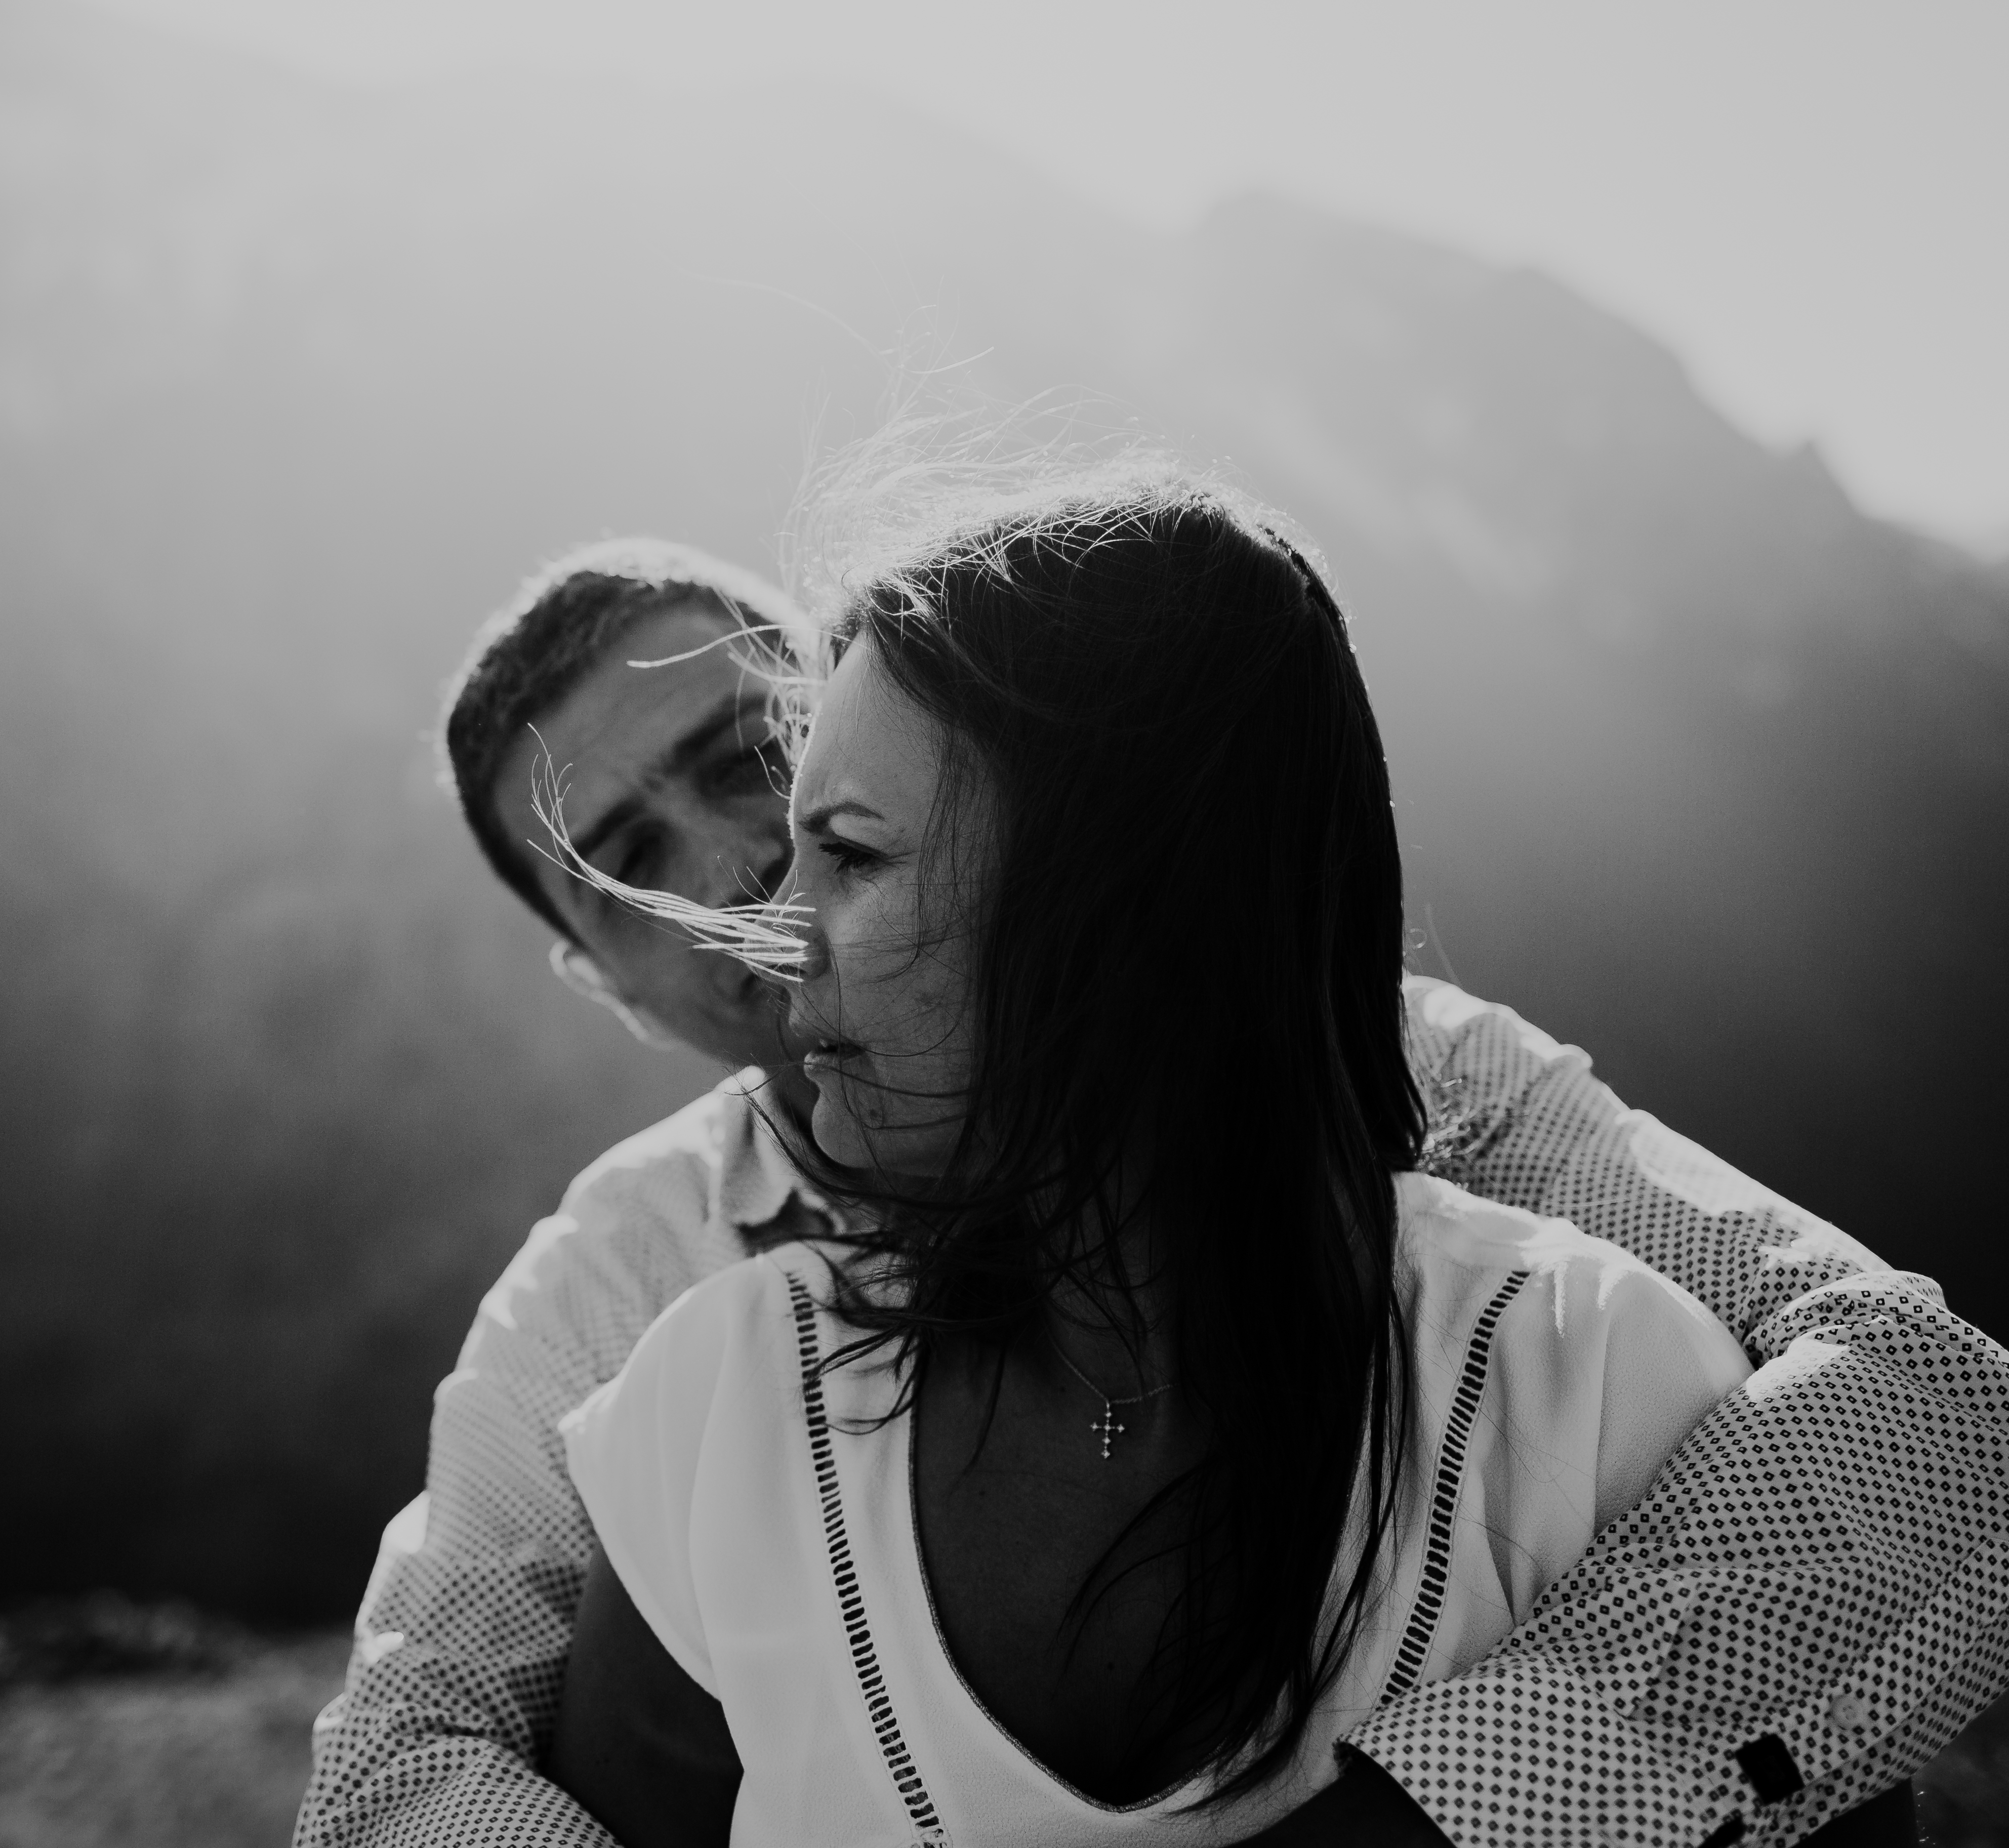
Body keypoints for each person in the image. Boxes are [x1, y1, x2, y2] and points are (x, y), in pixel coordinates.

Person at [293, 525, 2009, 1848]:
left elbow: (1949, 1435)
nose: (734, 864)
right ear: (595, 976)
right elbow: (397, 1768)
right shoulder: (626, 1294)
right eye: (621, 867)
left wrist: (1439, 1814)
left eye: (756, 762)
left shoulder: (1411, 1080)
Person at [546, 467, 1759, 1843]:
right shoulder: (714, 1407)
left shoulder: (1600, 1389)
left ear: (1117, 886)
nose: (770, 931)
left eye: (852, 855)